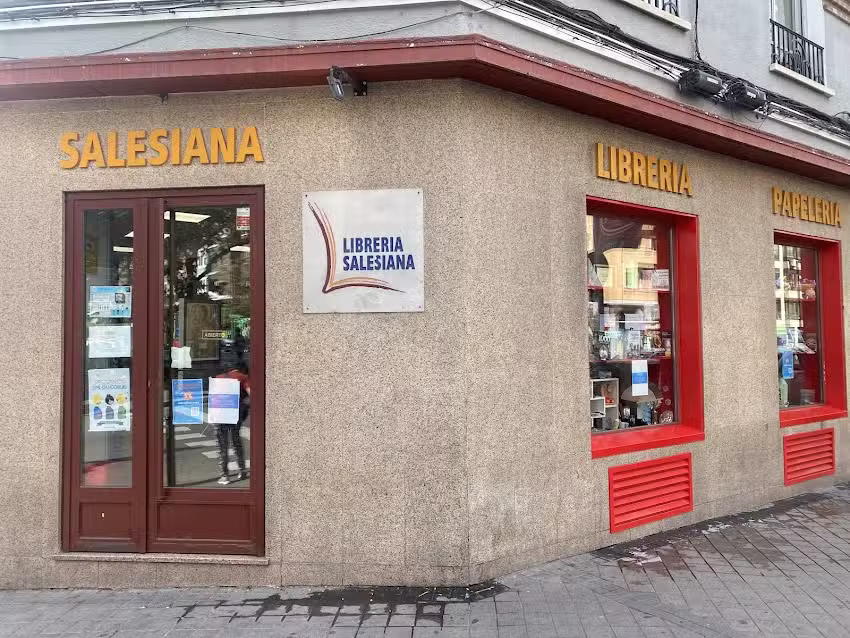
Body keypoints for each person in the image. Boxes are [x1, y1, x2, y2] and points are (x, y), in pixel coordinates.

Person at [215, 362, 250, 485]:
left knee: (222, 446)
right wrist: (245, 404)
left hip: (219, 415)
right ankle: (242, 470)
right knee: (236, 442)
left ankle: (225, 476)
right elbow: (251, 394)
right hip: (235, 416)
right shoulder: (242, 377)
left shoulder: (218, 378)